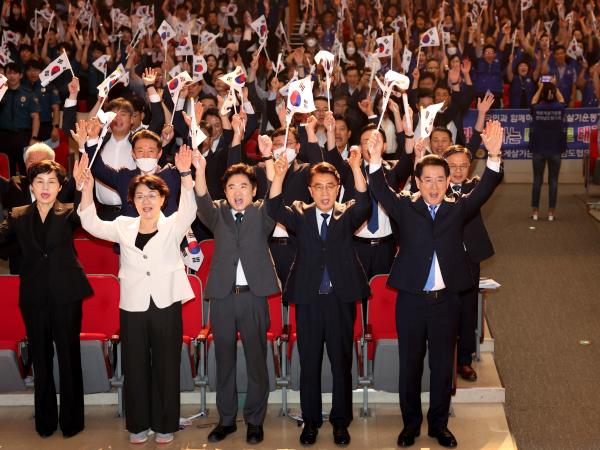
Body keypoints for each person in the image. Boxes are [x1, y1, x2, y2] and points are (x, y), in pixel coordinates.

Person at [367, 121, 504, 448]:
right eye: (426, 180)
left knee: (443, 366)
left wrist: (495, 155)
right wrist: (374, 159)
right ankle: (410, 424)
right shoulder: (404, 206)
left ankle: (439, 425)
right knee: (410, 365)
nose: (433, 186)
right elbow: (380, 189)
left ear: (447, 182)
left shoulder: (458, 208)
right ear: (417, 181)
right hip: (412, 300)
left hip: (446, 302)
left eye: (439, 180)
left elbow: (486, 187)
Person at [76, 147, 197, 445]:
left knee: (167, 365)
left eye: (152, 195)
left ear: (163, 199)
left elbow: (191, 209)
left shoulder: (174, 224)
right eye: (140, 196)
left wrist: (185, 175)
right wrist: (87, 190)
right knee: (135, 364)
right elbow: (90, 224)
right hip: (132, 304)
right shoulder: (122, 225)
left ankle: (166, 424)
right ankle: (138, 425)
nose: (146, 201)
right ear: (132, 200)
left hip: (166, 303)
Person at [267, 153, 371, 447]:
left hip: (340, 300)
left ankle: (341, 422)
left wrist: (354, 167)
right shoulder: (300, 212)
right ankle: (310, 421)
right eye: (318, 187)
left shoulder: (347, 212)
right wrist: (279, 174)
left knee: (341, 363)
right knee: (309, 363)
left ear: (338, 188)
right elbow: (274, 207)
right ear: (310, 191)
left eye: (330, 186)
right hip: (309, 300)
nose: (324, 193)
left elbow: (365, 203)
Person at [0, 160, 93, 438]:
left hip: (67, 294)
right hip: (34, 295)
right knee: (41, 358)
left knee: (68, 356)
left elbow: (89, 216)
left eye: (51, 181)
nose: (45, 187)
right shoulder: (17, 215)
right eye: (39, 181)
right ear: (31, 185)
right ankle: (45, 421)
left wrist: (83, 186)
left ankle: (72, 421)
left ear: (60, 186)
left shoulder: (70, 212)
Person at [195, 157, 279, 445]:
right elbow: (202, 198)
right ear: (226, 192)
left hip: (253, 297)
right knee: (224, 361)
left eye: (244, 186)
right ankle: (227, 420)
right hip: (222, 297)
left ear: (254, 190)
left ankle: (255, 421)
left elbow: (276, 197)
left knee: (256, 360)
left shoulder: (262, 213)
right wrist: (200, 170)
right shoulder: (217, 213)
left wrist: (275, 171)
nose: (238, 192)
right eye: (232, 187)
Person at [443, 145, 496, 382]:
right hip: (442, 259)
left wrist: (494, 155)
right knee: (443, 311)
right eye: (452, 166)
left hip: (468, 259)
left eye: (463, 165)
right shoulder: (435, 188)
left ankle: (464, 360)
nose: (457, 170)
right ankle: (444, 359)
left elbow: (493, 179)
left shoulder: (474, 188)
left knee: (467, 310)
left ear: (469, 167)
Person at [530, 80, 566, 221]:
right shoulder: (559, 107)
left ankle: (535, 212)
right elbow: (562, 99)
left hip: (538, 150)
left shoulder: (537, 108)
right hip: (555, 150)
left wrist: (540, 88)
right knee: (553, 181)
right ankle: (551, 213)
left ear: (542, 95)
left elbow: (533, 100)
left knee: (537, 180)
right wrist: (554, 86)